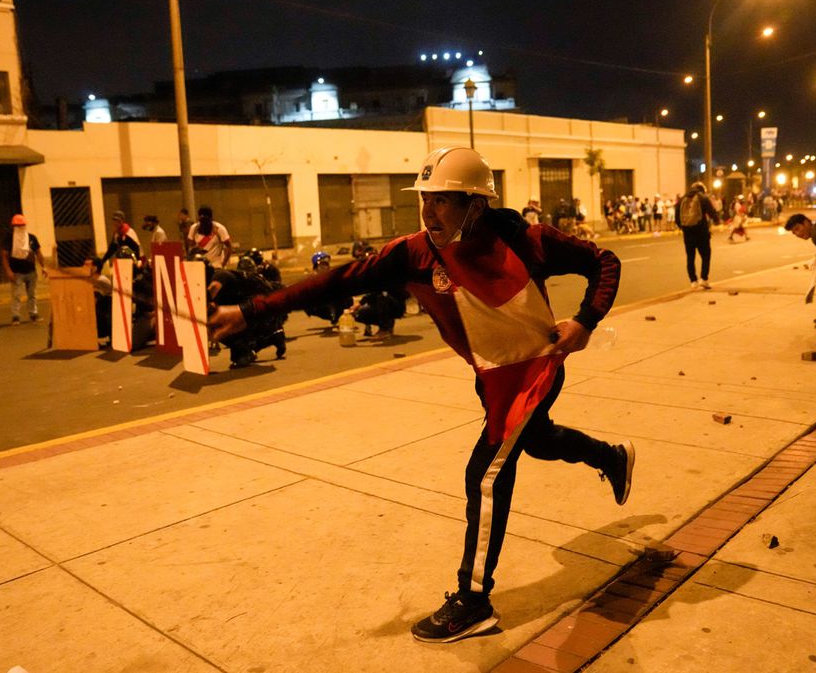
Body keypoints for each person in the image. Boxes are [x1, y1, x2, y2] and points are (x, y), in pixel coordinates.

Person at [209, 147, 633, 644]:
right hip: (491, 376)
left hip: (533, 371)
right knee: (535, 442)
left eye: (443, 202)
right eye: (424, 200)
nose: (429, 212)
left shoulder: (526, 240)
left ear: (476, 204)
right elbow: (334, 282)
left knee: (486, 475)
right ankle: (611, 457)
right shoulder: (414, 253)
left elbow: (605, 261)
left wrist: (585, 320)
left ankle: (474, 602)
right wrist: (251, 310)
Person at [1, 214, 47, 325]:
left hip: (31, 271)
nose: (20, 227)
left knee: (32, 294)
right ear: (13, 226)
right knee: (16, 295)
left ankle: (33, 314)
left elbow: (38, 253)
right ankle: (15, 316)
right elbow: (4, 256)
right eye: (18, 225)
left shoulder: (31, 238)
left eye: (22, 225)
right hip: (16, 272)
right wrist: (8, 271)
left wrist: (44, 267)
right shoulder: (9, 239)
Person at [675, 181, 720, 290]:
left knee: (690, 257)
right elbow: (712, 212)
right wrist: (717, 221)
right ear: (702, 189)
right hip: (701, 231)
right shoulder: (702, 198)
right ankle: (703, 279)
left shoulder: (682, 199)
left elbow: (677, 218)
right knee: (706, 255)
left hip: (688, 233)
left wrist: (684, 228)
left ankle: (693, 281)